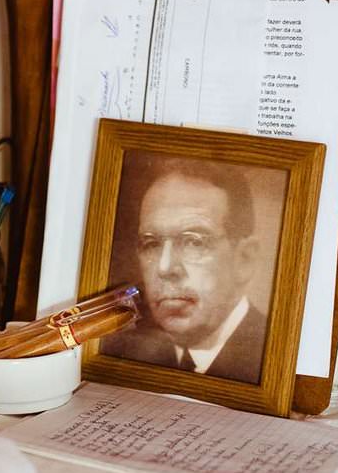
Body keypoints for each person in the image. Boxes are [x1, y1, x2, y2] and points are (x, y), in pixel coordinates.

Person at [100, 157, 267, 384]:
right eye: (151, 244)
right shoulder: (132, 357)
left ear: (244, 259)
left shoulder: (269, 358)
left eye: (194, 242)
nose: (165, 267)